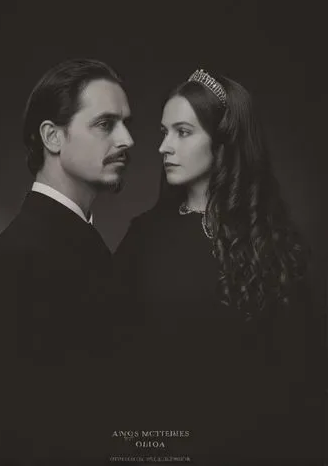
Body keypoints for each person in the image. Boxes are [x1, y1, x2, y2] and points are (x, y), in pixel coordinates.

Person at [114, 69, 325, 465]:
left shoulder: (273, 242)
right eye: (164, 131)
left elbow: (302, 380)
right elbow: (112, 354)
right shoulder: (143, 236)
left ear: (224, 140)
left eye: (183, 131)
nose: (163, 146)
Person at [0, 58, 134, 465]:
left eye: (126, 123)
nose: (127, 139)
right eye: (106, 124)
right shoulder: (22, 260)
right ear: (53, 137)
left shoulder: (69, 244)